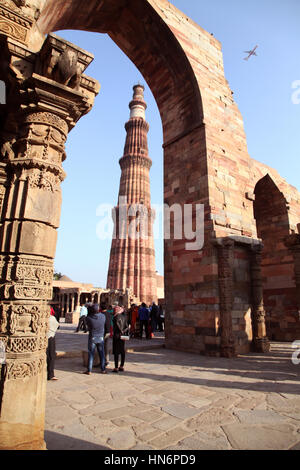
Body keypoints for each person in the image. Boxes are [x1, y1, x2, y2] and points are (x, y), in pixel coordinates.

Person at [84, 304, 107, 375]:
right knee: (102, 354)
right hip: (100, 337)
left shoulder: (89, 318)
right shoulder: (103, 316)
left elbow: (88, 326)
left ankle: (89, 370)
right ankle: (103, 369)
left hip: (93, 336)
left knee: (91, 354)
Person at [112, 305, 130, 373]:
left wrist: (120, 331)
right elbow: (127, 327)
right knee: (122, 350)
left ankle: (116, 367)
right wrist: (123, 331)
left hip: (117, 335)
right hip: (123, 336)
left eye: (115, 310)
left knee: (116, 351)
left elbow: (116, 324)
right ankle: (121, 366)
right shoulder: (124, 317)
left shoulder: (115, 317)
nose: (114, 311)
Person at [47, 307, 59, 381]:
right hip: (50, 337)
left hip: (43, 337)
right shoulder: (52, 318)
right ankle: (50, 374)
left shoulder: (43, 318)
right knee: (51, 356)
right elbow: (57, 326)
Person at [100, 302, 111, 367]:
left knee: (101, 347)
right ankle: (106, 360)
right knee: (106, 346)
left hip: (103, 332)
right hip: (108, 332)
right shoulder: (109, 314)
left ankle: (102, 361)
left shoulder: (101, 314)